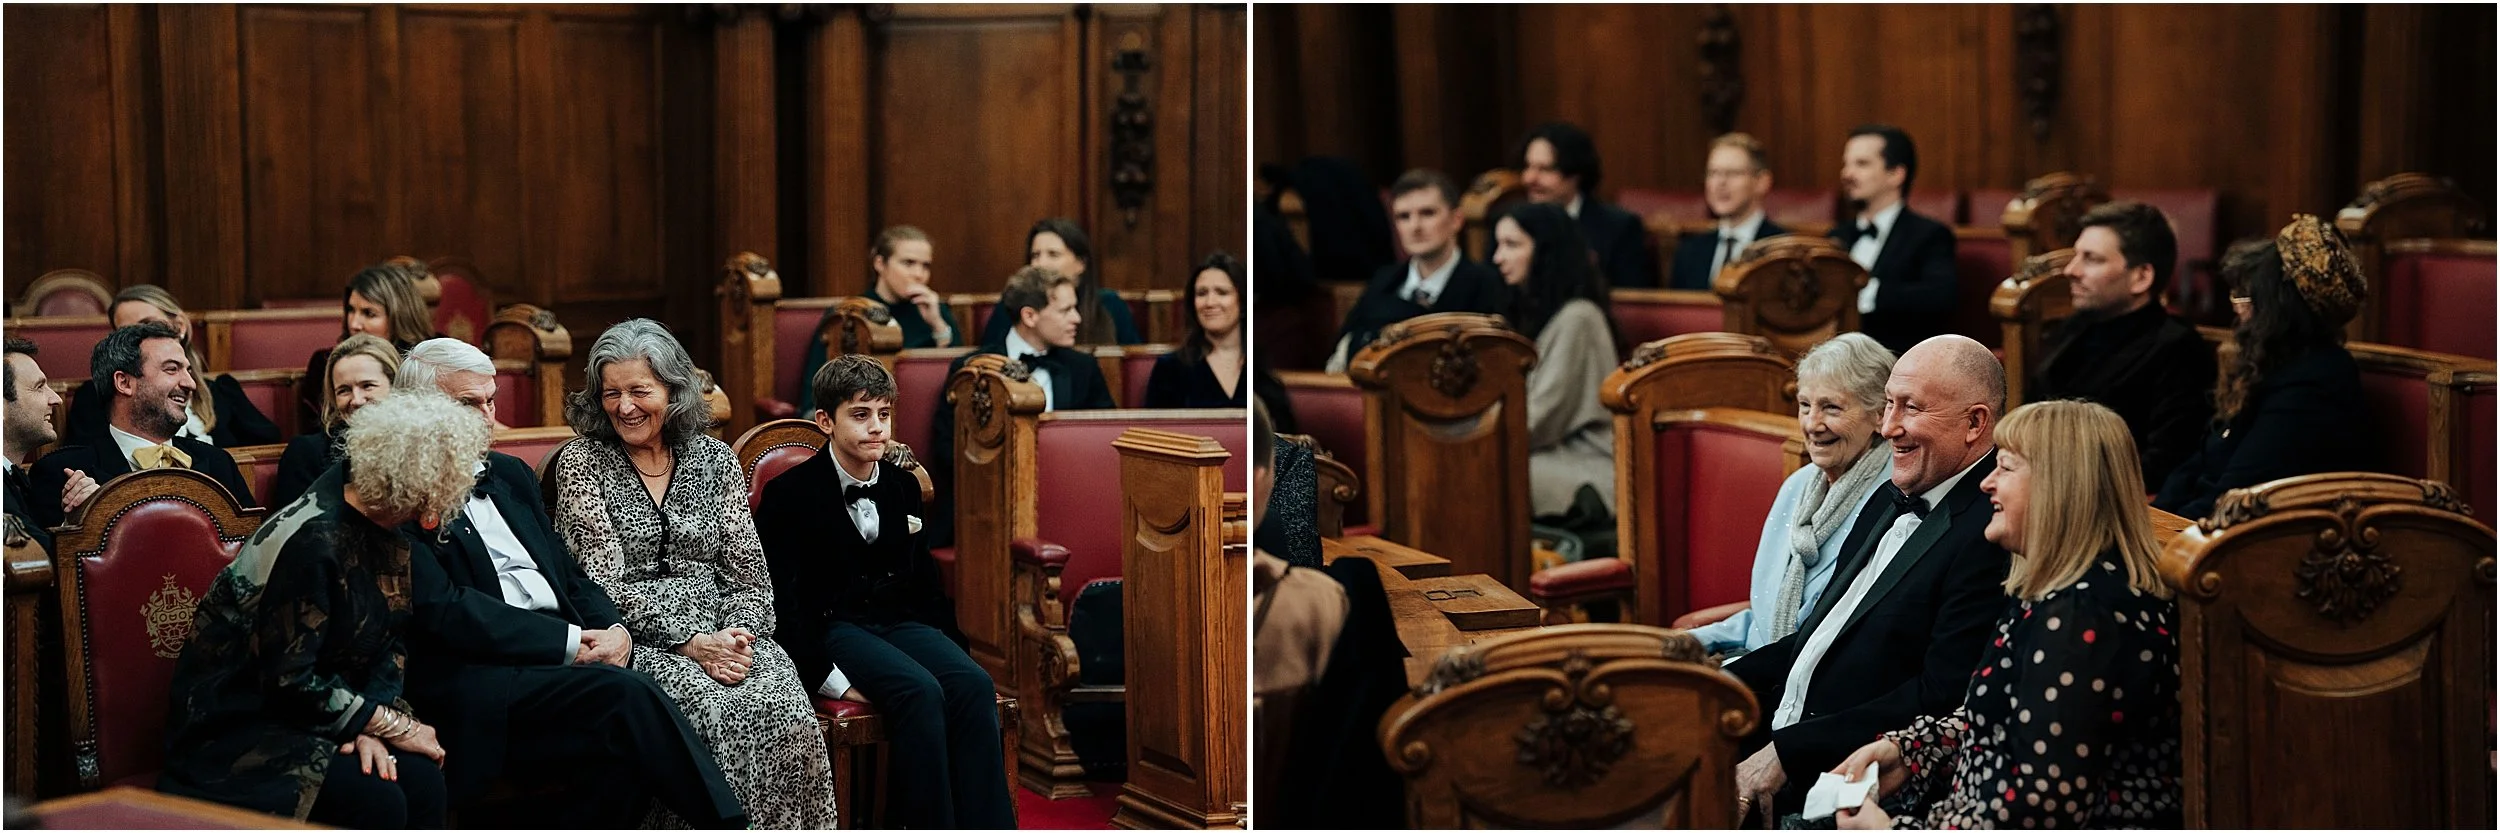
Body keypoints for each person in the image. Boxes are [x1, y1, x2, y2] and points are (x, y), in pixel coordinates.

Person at [392, 337, 746, 828]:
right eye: (468, 404)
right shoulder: (399, 490)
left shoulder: (510, 474)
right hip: (485, 674)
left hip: (558, 663)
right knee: (628, 696)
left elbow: (568, 574)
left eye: (491, 401)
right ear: (418, 409)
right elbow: (449, 609)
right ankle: (729, 826)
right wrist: (568, 642)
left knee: (624, 749)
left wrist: (616, 628)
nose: (488, 417)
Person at [1830, 400, 2181, 829]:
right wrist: (1910, 753)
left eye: (2006, 468)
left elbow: (2037, 810)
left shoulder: (2082, 614)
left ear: (2060, 487)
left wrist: (1886, 831)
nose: (1986, 484)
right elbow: (2007, 726)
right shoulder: (2063, 591)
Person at [549, 320, 839, 829]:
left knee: (787, 713)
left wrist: (737, 636)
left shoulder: (715, 459)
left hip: (731, 634)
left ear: (673, 390)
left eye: (640, 390)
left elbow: (748, 573)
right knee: (714, 715)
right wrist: (691, 642)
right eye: (611, 393)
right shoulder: (582, 463)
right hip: (636, 640)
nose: (625, 406)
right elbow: (599, 584)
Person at [156, 393, 487, 827]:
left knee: (423, 779)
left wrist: (371, 725)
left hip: (320, 712)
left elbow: (388, 645)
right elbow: (286, 679)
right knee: (376, 797)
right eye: (449, 478)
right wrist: (384, 725)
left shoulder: (383, 525)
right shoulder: (313, 539)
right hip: (241, 726)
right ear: (419, 481)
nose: (452, 493)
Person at [1724, 335, 2011, 820]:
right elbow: (1817, 639)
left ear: (1975, 423)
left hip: (1850, 780)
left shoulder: (1990, 530)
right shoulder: (1889, 495)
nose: (1889, 427)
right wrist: (1716, 681)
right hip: (1772, 733)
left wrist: (1788, 753)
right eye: (1888, 406)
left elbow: (1938, 697)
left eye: (1911, 408)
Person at [758, 355, 1016, 829]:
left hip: (899, 622)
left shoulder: (901, 486)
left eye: (884, 414)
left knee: (973, 684)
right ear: (825, 422)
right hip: (835, 626)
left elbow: (925, 585)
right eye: (860, 415)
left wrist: (955, 653)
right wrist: (828, 679)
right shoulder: (788, 495)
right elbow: (783, 604)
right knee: (918, 692)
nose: (877, 428)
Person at [1684, 333, 1894, 658]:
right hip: (1765, 663)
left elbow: (1828, 633)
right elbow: (1766, 620)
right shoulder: (1797, 486)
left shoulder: (1894, 498)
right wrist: (1695, 641)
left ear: (1879, 414)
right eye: (1805, 405)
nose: (1812, 424)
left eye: (1831, 408)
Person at [2155, 215, 2370, 519]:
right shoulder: (2268, 361)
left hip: (2248, 544)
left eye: (2246, 295)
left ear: (2278, 305)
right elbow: (2198, 464)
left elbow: (2241, 494)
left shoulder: (2316, 381)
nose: (2237, 306)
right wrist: (2153, 518)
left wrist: (2163, 538)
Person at [2030, 200, 2216, 488]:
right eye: (2075, 255)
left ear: (2141, 277)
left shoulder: (2178, 349)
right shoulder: (2073, 329)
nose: (2071, 270)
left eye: (2091, 259)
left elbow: (2164, 464)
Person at [31, 322, 256, 529]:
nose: (190, 383)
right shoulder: (61, 473)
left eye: (187, 370)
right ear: (124, 382)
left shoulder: (219, 464)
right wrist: (78, 523)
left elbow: (253, 550)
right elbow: (49, 566)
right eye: (172, 369)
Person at [1490, 201, 1620, 523]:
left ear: (1546, 251)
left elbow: (1543, 419)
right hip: (1549, 452)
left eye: (1512, 244)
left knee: (1483, 471)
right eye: (1498, 244)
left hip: (1583, 462)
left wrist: (1473, 437)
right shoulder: (1535, 311)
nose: (1497, 257)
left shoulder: (1579, 317)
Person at [1324, 168, 1506, 371]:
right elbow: (1344, 353)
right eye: (1403, 217)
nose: (1415, 226)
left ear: (1456, 220)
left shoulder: (1488, 285)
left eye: (1427, 213)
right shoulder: (1382, 282)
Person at [62, 285, 282, 448]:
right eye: (125, 332)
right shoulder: (97, 397)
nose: (139, 338)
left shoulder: (222, 392)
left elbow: (266, 453)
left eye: (148, 324)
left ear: (179, 326)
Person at [799, 226, 960, 416]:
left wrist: (938, 326)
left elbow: (957, 377)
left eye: (925, 266)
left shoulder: (935, 311)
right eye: (908, 263)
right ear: (880, 263)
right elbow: (815, 391)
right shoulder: (849, 314)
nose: (919, 274)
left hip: (925, 416)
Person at [1831, 125, 1958, 355]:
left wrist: (1863, 294)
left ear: (1896, 174)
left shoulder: (1929, 235)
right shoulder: (1836, 236)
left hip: (1896, 362)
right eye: (1846, 164)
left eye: (1861, 164)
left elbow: (1940, 296)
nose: (1846, 174)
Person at [1517, 121, 1657, 289]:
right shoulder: (1511, 224)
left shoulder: (1619, 228)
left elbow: (1630, 301)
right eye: (1528, 166)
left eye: (1545, 169)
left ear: (1575, 174)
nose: (1530, 178)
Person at [300, 262, 437, 431]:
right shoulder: (327, 361)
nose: (355, 323)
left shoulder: (427, 359)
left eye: (369, 314)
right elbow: (318, 430)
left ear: (400, 316)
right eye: (351, 310)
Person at [270, 334, 398, 510]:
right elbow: (296, 532)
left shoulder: (421, 446)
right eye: (344, 391)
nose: (357, 400)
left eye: (367, 385)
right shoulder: (306, 453)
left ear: (395, 387)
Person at [979, 219, 1142, 347]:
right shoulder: (1011, 306)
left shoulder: (1110, 305)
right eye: (1035, 255)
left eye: (1053, 254)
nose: (1040, 264)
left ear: (1081, 263)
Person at [4, 338, 97, 553]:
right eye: (39, 388)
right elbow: (39, 561)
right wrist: (96, 523)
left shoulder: (13, 479)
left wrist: (72, 523)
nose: (56, 399)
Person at [1670, 132, 1790, 291]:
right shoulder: (1689, 252)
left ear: (1761, 182)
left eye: (1733, 173)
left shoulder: (1783, 251)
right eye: (1713, 173)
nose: (1720, 182)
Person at [1145, 252, 1250, 409]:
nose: (1209, 302)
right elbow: (1155, 430)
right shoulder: (1170, 368)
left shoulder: (1260, 368)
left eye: (1222, 292)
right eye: (1201, 293)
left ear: (1242, 301)